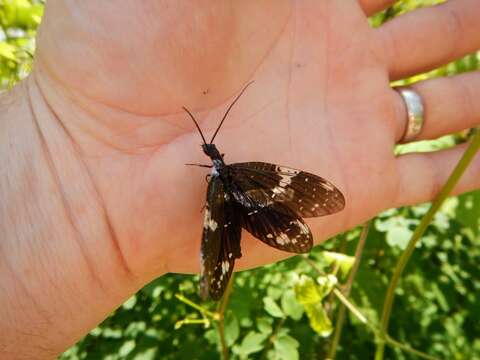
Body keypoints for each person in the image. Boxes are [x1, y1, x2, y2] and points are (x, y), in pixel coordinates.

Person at [1, 0, 479, 358]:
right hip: (238, 206)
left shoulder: (225, 179)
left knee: (226, 216)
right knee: (222, 220)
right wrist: (59, 155)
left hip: (241, 207)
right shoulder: (229, 177)